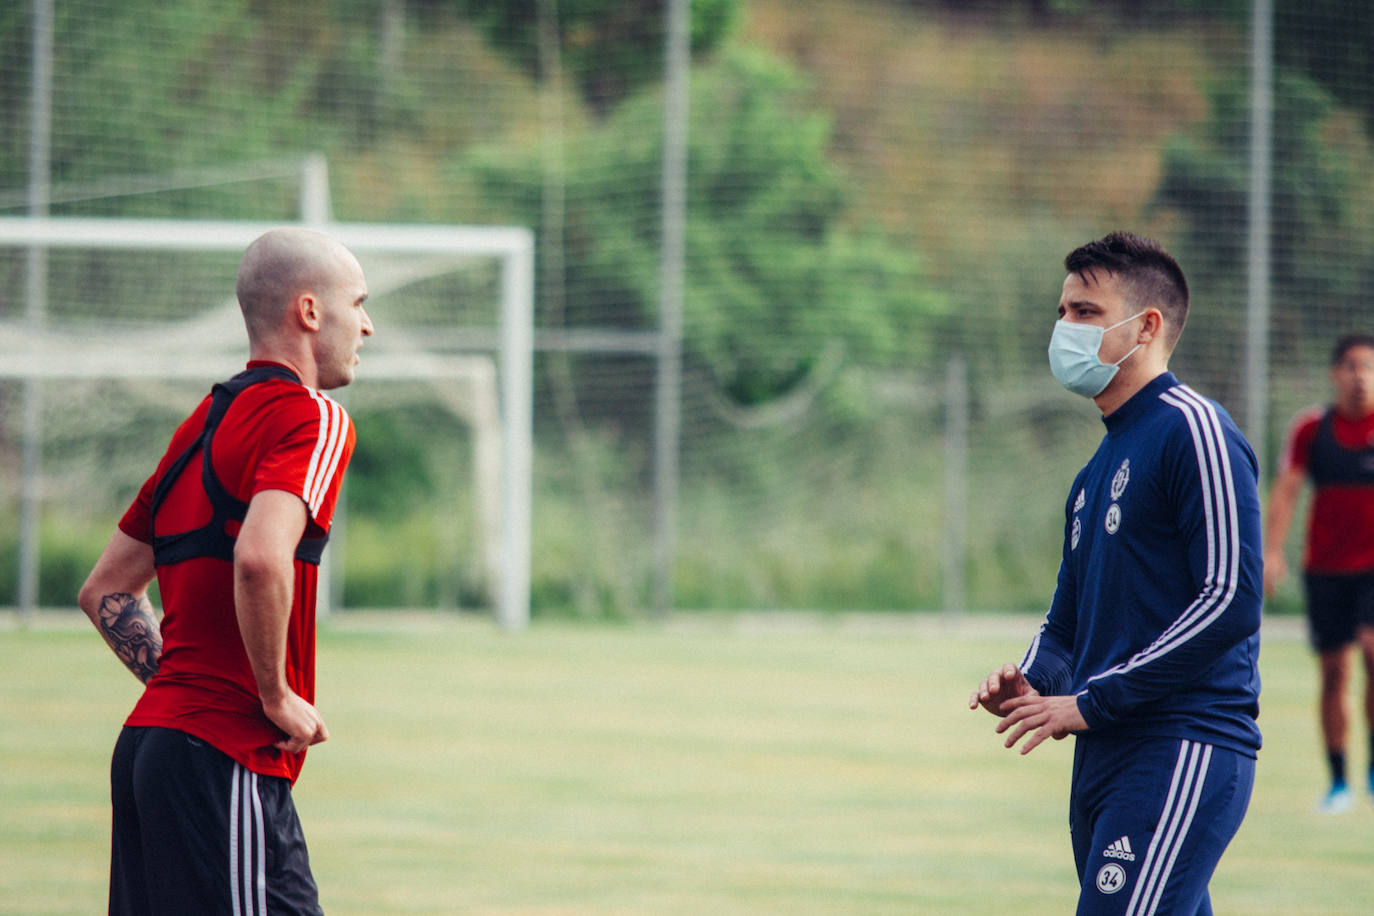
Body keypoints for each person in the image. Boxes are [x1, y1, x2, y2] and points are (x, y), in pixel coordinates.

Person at [77, 227, 374, 915]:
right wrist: (272, 694)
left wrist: (181, 688)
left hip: (149, 749)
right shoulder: (314, 418)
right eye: (357, 302)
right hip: (224, 754)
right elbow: (262, 557)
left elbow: (105, 589)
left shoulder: (204, 421)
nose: (367, 324)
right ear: (308, 311)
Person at [969, 231, 1262, 915]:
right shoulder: (1092, 473)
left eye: (1085, 313)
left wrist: (1091, 702)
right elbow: (1068, 619)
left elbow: (1232, 598)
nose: (1063, 328)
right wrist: (1034, 677)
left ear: (1147, 326)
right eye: (1062, 311)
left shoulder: (1196, 430)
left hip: (1182, 744)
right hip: (1107, 753)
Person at [1264, 333, 1374, 814]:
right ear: (1335, 374)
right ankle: (1338, 782)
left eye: (1369, 368)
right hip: (1325, 569)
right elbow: (1287, 492)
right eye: (1351, 367)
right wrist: (1271, 552)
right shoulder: (1312, 429)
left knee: (1373, 652)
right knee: (1334, 673)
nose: (1360, 378)